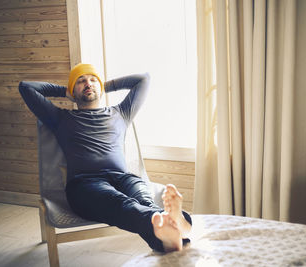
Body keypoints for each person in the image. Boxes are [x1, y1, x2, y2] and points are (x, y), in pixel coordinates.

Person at [19, 63, 192, 252]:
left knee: (144, 202)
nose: (88, 83)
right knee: (123, 203)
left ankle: (168, 240)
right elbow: (25, 87)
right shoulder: (60, 118)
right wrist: (65, 91)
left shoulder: (121, 112)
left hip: (124, 178)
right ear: (72, 91)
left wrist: (103, 86)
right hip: (84, 185)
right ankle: (176, 221)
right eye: (81, 81)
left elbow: (143, 79)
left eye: (93, 80)